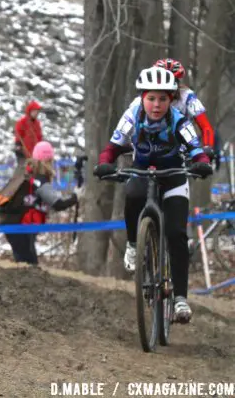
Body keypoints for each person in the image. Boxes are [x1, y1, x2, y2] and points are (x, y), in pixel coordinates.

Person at [94, 66, 213, 323]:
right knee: (133, 194)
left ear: (171, 99)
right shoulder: (133, 113)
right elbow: (114, 145)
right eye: (151, 98)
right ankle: (134, 245)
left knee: (176, 233)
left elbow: (194, 146)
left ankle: (180, 298)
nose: (156, 104)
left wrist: (201, 161)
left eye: (162, 98)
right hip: (142, 169)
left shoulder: (178, 119)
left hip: (173, 174)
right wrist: (105, 162)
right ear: (142, 98)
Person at [4, 141, 78, 265]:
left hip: (13, 226)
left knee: (24, 267)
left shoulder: (27, 174)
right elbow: (58, 204)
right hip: (22, 229)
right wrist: (75, 197)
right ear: (47, 161)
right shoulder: (40, 180)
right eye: (51, 161)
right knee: (30, 268)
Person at [127, 58, 214, 148]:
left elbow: (205, 127)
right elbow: (127, 124)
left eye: (172, 82)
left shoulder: (187, 97)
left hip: (179, 146)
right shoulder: (142, 99)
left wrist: (208, 147)